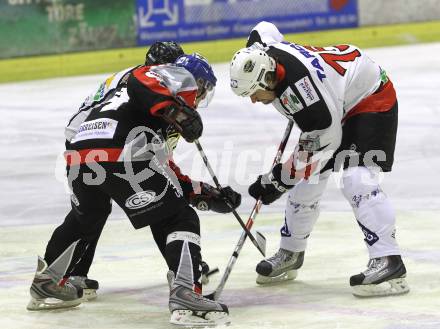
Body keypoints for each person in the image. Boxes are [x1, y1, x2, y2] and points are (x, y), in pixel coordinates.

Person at [27, 50, 240, 327]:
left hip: (80, 154)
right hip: (120, 151)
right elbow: (142, 77)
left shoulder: (138, 108)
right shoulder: (173, 78)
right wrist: (179, 111)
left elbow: (165, 171)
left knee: (87, 218)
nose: (200, 98)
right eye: (203, 90)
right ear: (197, 82)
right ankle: (186, 292)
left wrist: (206, 194)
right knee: (178, 217)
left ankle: (48, 282)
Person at [229, 21, 409, 297]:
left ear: (267, 79)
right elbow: (264, 28)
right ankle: (291, 252)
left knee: (355, 177)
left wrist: (276, 180)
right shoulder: (260, 52)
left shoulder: (306, 97)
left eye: (254, 92)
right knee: (307, 181)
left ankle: (389, 261)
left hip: (369, 97)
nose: (253, 99)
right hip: (335, 99)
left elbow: (326, 139)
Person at [62, 41, 216, 301]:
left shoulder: (127, 82)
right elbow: (158, 156)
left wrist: (194, 190)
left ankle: (67, 276)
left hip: (81, 143)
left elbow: (159, 157)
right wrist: (175, 112)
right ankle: (183, 280)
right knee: (167, 210)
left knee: (91, 213)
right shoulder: (145, 82)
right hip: (110, 141)